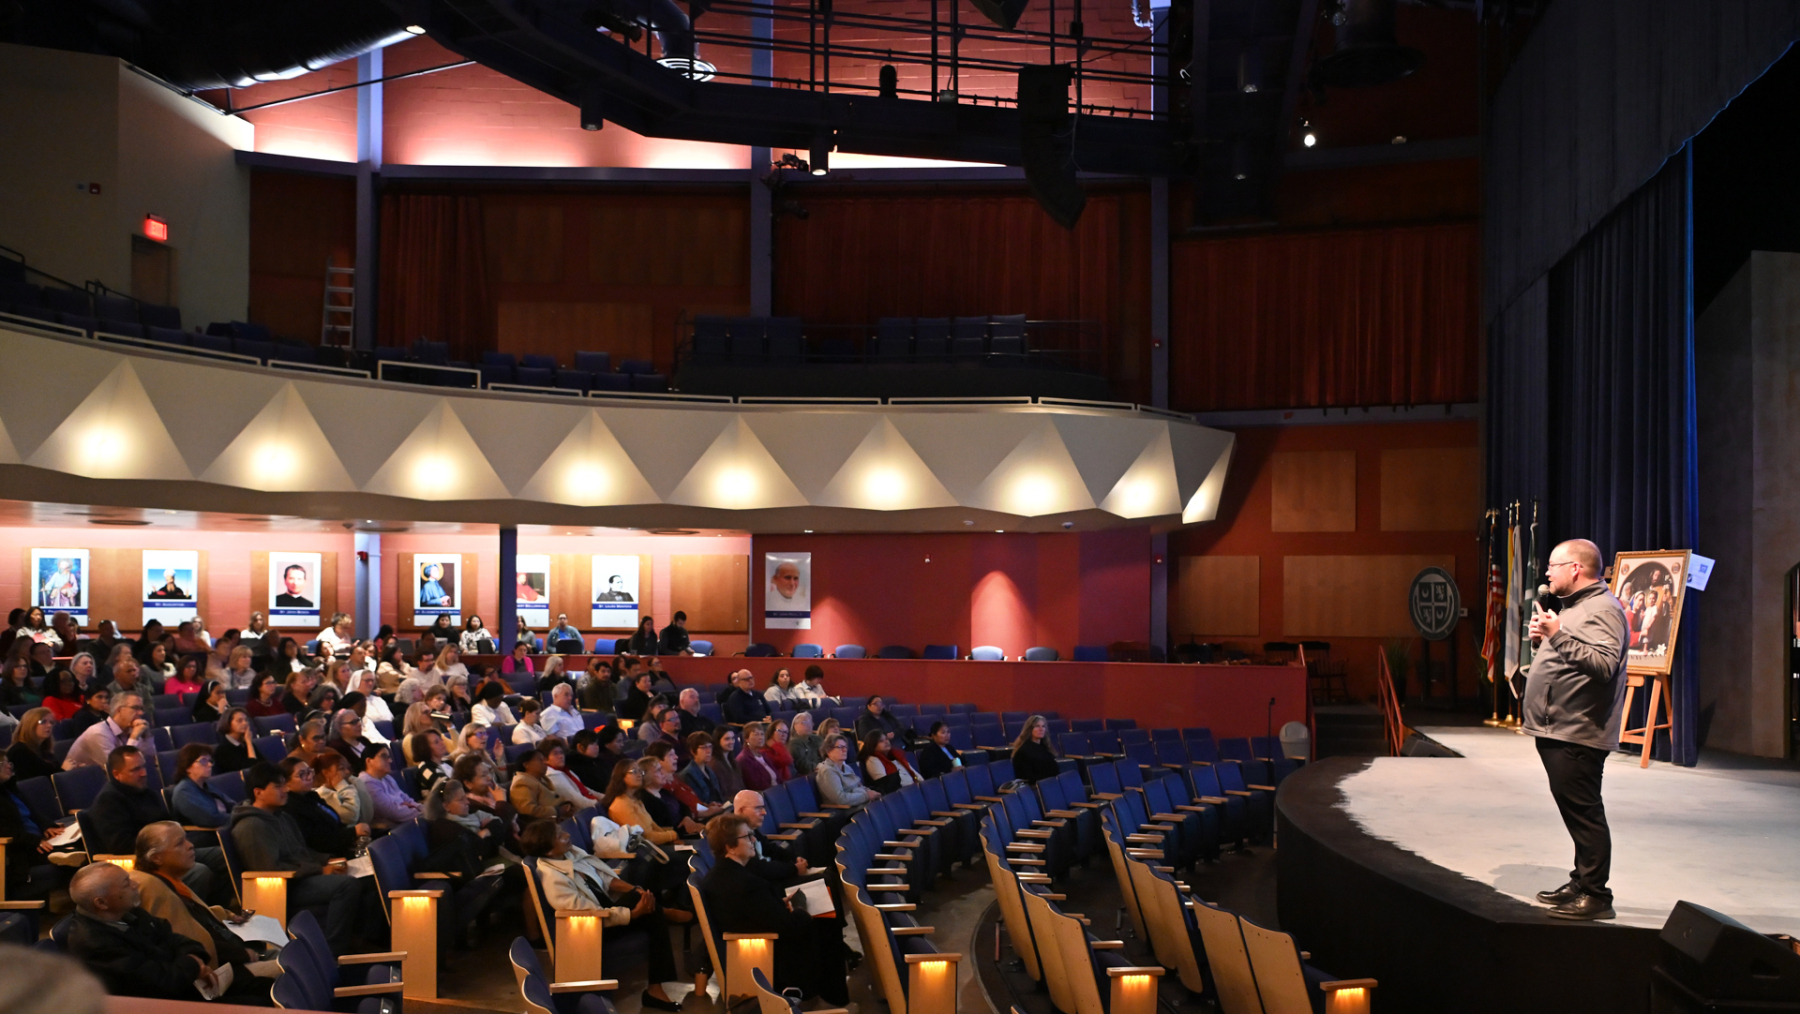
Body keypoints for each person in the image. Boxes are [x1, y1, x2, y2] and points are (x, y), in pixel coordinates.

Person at [1511, 538, 1630, 922]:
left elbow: (1603, 665)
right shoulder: (1576, 607)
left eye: (1553, 565)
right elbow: (1571, 656)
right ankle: (1581, 882)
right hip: (1559, 727)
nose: (1547, 573)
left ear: (1575, 569)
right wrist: (1546, 638)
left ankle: (1596, 894)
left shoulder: (1603, 609)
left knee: (1584, 813)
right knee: (1575, 811)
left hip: (1577, 730)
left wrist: (1557, 634)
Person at [518, 819, 684, 1011]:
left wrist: (635, 890)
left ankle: (655, 987)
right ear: (548, 851)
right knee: (652, 914)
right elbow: (587, 914)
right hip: (590, 930)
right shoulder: (553, 879)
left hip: (603, 911)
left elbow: (603, 876)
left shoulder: (569, 854)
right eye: (560, 835)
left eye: (562, 830)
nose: (567, 835)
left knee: (645, 902)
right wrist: (633, 914)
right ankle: (655, 988)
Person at [699, 813, 848, 1004]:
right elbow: (789, 927)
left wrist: (778, 903)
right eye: (747, 837)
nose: (754, 840)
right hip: (770, 950)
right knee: (826, 923)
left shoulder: (715, 876)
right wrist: (800, 909)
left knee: (823, 910)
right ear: (730, 847)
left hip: (758, 933)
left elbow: (756, 911)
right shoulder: (747, 883)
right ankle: (833, 997)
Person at [64, 862, 265, 1003]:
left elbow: (176, 938)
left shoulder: (128, 912)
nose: (135, 885)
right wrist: (194, 964)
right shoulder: (95, 943)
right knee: (260, 1004)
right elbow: (160, 982)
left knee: (263, 986)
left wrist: (193, 959)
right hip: (163, 1003)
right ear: (101, 903)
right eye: (126, 883)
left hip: (186, 983)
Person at [231, 762, 371, 954]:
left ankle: (360, 939)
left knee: (368, 877)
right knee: (346, 886)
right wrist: (320, 870)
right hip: (285, 888)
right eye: (278, 786)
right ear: (258, 792)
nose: (285, 790)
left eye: (284, 784)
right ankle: (333, 951)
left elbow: (302, 851)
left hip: (303, 876)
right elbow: (270, 870)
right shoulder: (252, 826)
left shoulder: (282, 817)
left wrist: (328, 860)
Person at [130, 822, 283, 983]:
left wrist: (225, 915)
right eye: (180, 843)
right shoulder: (152, 887)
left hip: (235, 954)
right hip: (220, 972)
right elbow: (186, 940)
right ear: (156, 858)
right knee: (294, 968)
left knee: (291, 954)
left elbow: (193, 916)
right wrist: (241, 954)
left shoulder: (170, 880)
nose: (190, 845)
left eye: (186, 839)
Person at [86, 746, 228, 901]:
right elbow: (120, 845)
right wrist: (163, 849)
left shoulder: (146, 792)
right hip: (147, 861)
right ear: (116, 774)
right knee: (199, 872)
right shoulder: (108, 801)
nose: (144, 773)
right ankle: (189, 913)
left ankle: (216, 909)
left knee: (223, 856)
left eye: (143, 767)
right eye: (135, 770)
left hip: (168, 852)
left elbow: (168, 823)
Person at [279, 755, 364, 857]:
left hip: (342, 847)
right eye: (302, 775)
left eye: (309, 772)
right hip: (328, 858)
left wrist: (352, 836)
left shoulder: (311, 796)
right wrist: (353, 832)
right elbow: (318, 842)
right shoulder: (292, 808)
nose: (309, 777)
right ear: (286, 782)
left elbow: (335, 824)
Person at [65, 692, 155, 770]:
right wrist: (134, 738)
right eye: (135, 708)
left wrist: (146, 735)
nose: (141, 713)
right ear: (119, 710)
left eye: (141, 709)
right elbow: (120, 768)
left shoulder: (131, 728)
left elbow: (151, 760)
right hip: (86, 781)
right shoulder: (98, 733)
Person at [602, 758, 679, 846]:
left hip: (657, 844)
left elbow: (654, 826)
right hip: (648, 848)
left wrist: (671, 838)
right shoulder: (621, 805)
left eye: (640, 771)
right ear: (621, 776)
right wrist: (672, 835)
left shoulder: (635, 799)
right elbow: (646, 837)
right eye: (634, 771)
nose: (639, 775)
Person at [357, 743, 423, 830]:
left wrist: (421, 808)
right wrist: (421, 813)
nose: (390, 761)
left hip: (408, 821)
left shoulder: (386, 777)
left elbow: (406, 798)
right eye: (384, 757)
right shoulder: (366, 783)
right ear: (369, 761)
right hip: (392, 830)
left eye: (389, 757)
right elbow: (393, 812)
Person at [169, 744, 233, 829]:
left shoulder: (205, 785)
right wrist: (239, 817)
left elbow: (231, 805)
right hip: (210, 833)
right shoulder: (183, 792)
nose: (210, 764)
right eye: (203, 761)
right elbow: (210, 819)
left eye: (210, 761)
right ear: (187, 767)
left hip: (227, 825)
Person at [313, 750, 374, 831]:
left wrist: (357, 782)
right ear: (326, 773)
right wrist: (343, 786)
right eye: (341, 768)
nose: (347, 772)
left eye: (348, 768)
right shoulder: (323, 794)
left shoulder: (348, 785)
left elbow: (367, 815)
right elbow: (351, 817)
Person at [815, 733, 877, 808]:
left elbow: (859, 785)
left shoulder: (846, 767)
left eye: (845, 747)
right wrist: (866, 795)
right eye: (840, 747)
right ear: (828, 751)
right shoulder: (827, 771)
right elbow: (841, 799)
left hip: (859, 803)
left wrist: (870, 792)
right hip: (846, 810)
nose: (844, 750)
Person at [509, 749, 567, 821]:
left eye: (544, 760)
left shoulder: (540, 779)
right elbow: (528, 811)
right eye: (540, 760)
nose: (545, 762)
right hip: (548, 824)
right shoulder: (522, 783)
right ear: (526, 765)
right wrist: (558, 811)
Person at [8, 707, 58, 781]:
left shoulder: (43, 750)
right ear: (30, 725)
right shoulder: (19, 752)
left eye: (51, 722)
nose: (49, 725)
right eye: (43, 722)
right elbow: (33, 782)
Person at [1009, 714, 1061, 784]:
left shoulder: (1044, 747)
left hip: (1051, 783)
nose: (1041, 729)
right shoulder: (1023, 751)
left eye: (1043, 726)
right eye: (1037, 726)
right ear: (1030, 729)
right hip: (1038, 786)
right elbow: (1025, 777)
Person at [736, 723, 779, 792]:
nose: (761, 737)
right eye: (756, 734)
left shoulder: (764, 755)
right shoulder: (744, 759)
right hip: (764, 795)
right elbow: (755, 785)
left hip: (775, 791)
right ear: (747, 739)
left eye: (762, 734)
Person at [326, 707, 370, 772]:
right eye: (353, 722)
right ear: (341, 728)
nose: (359, 724)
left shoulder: (363, 740)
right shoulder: (337, 747)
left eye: (358, 720)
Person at [213, 708, 256, 773]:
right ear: (228, 723)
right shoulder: (223, 750)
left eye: (246, 720)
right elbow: (251, 770)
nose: (245, 723)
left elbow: (262, 763)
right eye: (239, 721)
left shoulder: (244, 742)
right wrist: (249, 743)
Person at [708, 727, 747, 798]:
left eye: (733, 738)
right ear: (718, 741)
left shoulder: (732, 761)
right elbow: (723, 792)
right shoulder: (715, 764)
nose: (732, 742)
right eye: (727, 739)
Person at [787, 712, 824, 778]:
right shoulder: (793, 743)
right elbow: (803, 765)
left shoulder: (817, 739)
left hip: (823, 771)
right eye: (804, 723)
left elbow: (826, 754)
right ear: (795, 726)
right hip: (808, 776)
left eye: (810, 723)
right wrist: (821, 767)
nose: (809, 725)